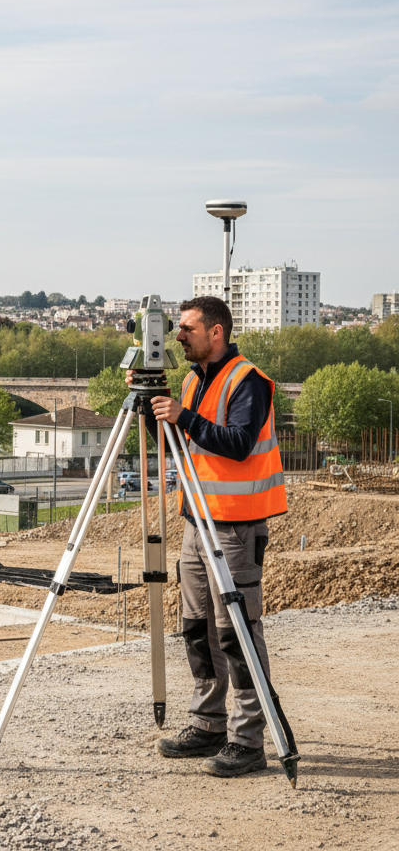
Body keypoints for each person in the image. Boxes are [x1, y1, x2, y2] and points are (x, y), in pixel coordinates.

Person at [128, 295, 287, 778]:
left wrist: (184, 416)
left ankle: (247, 740)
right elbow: (182, 445)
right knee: (198, 629)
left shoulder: (248, 381)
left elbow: (238, 445)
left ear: (216, 332)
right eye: (176, 328)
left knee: (236, 633)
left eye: (187, 328)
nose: (178, 336)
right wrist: (152, 412)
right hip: (197, 521)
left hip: (237, 528)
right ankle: (208, 722)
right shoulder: (194, 380)